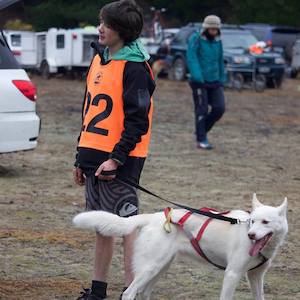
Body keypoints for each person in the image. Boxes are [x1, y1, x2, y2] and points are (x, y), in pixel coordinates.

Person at [73, 1, 155, 299]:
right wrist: (80, 157)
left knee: (126, 226)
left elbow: (137, 122)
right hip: (93, 156)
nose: (100, 28)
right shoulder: (100, 58)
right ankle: (98, 291)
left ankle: (130, 292)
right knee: (101, 226)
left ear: (121, 29)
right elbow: (88, 111)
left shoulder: (135, 68)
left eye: (105, 23)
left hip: (120, 160)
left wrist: (116, 158)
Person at [187, 15, 226, 150]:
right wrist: (198, 77)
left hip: (215, 80)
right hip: (199, 81)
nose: (214, 31)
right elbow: (191, 57)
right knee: (201, 110)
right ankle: (201, 139)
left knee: (219, 108)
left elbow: (220, 59)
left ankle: (201, 130)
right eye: (211, 29)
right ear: (206, 28)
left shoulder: (218, 41)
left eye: (216, 29)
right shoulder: (196, 38)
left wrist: (222, 78)